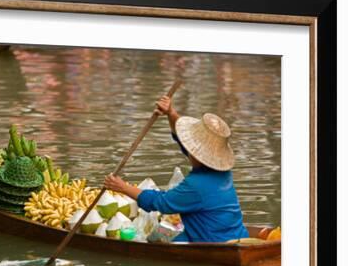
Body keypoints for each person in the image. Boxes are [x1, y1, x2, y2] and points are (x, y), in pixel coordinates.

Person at [103, 95, 249, 243]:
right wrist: (171, 113)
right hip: (237, 235)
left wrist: (123, 187)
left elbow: (161, 203)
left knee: (155, 238)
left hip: (210, 240)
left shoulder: (196, 184)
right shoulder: (223, 173)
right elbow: (184, 141)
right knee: (162, 233)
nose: (188, 148)